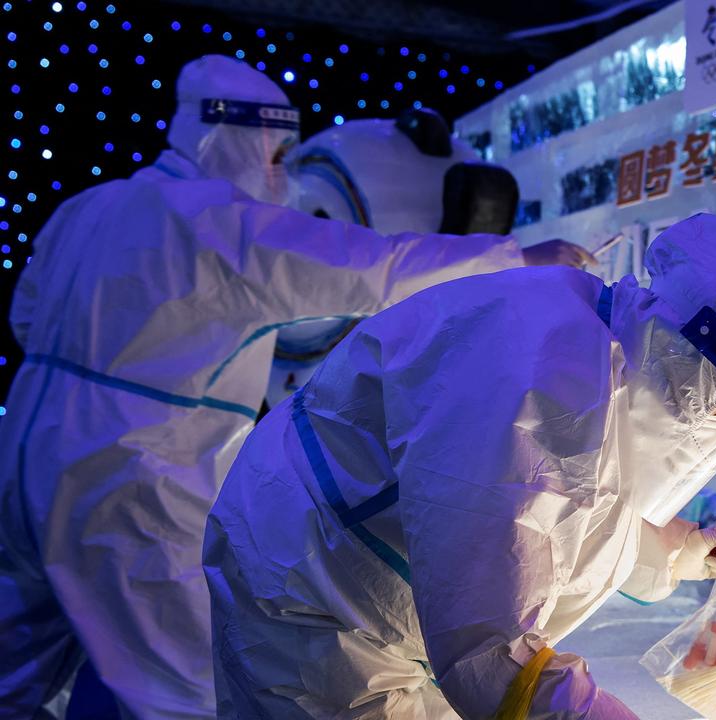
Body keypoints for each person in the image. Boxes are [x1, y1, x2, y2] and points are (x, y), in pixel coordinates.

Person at [0, 54, 581, 719]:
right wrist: (516, 258)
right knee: (182, 687)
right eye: (275, 153)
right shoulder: (223, 223)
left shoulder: (88, 206)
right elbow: (371, 268)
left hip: (24, 451)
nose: (280, 173)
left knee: (13, 668)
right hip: (133, 478)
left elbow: (24, 315)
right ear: (235, 137)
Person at [203, 213, 716, 718]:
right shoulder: (534, 378)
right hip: (313, 597)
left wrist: (682, 547)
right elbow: (489, 649)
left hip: (385, 595)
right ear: (680, 347)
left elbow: (572, 505)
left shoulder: (610, 350)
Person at [264, 111, 594, 409]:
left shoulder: (237, 226)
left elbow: (381, 269)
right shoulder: (244, 238)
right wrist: (516, 258)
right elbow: (379, 271)